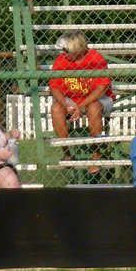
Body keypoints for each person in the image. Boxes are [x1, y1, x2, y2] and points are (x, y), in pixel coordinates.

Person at [49, 30, 114, 170]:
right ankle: (67, 153)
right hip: (71, 99)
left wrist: (81, 105)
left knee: (94, 108)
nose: (62, 54)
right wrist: (65, 104)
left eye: (66, 50)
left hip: (98, 99)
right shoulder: (61, 60)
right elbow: (54, 87)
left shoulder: (95, 58)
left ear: (76, 48)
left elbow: (101, 89)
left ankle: (96, 154)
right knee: (56, 108)